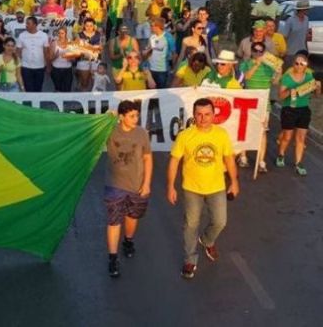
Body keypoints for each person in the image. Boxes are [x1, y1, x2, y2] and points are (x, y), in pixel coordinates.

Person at [167, 98, 240, 280]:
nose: (203, 118)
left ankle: (207, 240)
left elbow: (229, 159)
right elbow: (174, 161)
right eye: (199, 114)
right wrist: (170, 186)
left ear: (213, 115)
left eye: (207, 114)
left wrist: (234, 181)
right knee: (191, 225)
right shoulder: (185, 136)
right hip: (192, 188)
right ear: (194, 115)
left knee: (220, 221)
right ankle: (190, 259)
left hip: (217, 187)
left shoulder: (221, 134)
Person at [105, 100, 152, 277]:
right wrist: (105, 117)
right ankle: (112, 257)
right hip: (114, 184)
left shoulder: (141, 134)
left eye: (137, 115)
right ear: (122, 117)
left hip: (137, 184)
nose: (135, 119)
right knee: (114, 221)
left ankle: (128, 240)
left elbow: (147, 158)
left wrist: (146, 183)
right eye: (131, 116)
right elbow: (92, 128)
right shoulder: (110, 131)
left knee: (132, 216)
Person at [237, 41, 281, 172]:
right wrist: (256, 64)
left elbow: (275, 82)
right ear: (251, 52)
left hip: (263, 103)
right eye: (255, 51)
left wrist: (278, 72)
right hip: (249, 101)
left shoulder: (269, 67)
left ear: (264, 52)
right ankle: (243, 156)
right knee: (245, 129)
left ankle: (261, 161)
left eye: (260, 51)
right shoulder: (246, 63)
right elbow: (247, 78)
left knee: (262, 132)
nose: (257, 53)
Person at [276, 51, 322, 176]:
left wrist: (318, 87)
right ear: (293, 64)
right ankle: (281, 154)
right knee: (287, 137)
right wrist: (292, 91)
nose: (299, 66)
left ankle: (298, 163)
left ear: (306, 65)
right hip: (289, 109)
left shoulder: (310, 77)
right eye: (297, 63)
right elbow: (280, 96)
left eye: (302, 63)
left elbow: (317, 95)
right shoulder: (287, 77)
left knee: (301, 138)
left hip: (304, 109)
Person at [16, 16, 50, 92]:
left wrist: (48, 66)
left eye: (28, 23)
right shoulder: (22, 35)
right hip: (26, 67)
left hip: (40, 67)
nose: (26, 25)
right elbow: (18, 52)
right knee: (28, 88)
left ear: (35, 25)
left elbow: (46, 52)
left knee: (38, 88)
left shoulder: (43, 35)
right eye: (26, 24)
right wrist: (17, 66)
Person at [143, 17, 176, 89]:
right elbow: (148, 51)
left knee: (161, 93)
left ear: (158, 26)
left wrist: (173, 68)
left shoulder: (168, 37)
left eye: (152, 25)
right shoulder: (152, 36)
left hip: (162, 71)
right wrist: (146, 52)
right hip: (150, 69)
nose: (150, 27)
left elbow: (174, 53)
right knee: (149, 92)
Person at [76, 18, 102, 92]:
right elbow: (79, 48)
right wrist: (93, 48)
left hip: (96, 60)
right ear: (84, 26)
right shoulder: (79, 35)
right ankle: (84, 99)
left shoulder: (99, 34)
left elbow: (101, 48)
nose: (89, 28)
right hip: (83, 60)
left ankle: (94, 99)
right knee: (84, 82)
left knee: (95, 82)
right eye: (87, 26)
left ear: (94, 26)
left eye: (91, 25)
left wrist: (87, 47)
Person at [283, 0, 310, 65]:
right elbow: (284, 36)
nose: (308, 10)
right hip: (291, 52)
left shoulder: (306, 19)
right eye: (307, 9)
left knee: (301, 70)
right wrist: (284, 50)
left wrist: (307, 49)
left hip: (302, 51)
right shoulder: (290, 20)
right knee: (289, 70)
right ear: (302, 10)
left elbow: (305, 36)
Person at [50, 27, 74, 92]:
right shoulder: (54, 43)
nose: (60, 35)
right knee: (58, 89)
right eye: (59, 33)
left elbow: (74, 58)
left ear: (66, 33)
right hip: (56, 70)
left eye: (62, 33)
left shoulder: (70, 43)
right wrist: (55, 56)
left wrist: (70, 58)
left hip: (67, 70)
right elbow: (50, 58)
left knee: (67, 89)